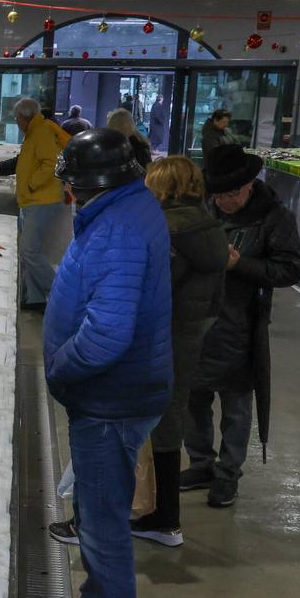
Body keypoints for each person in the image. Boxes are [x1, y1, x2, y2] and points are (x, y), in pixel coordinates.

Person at [40, 128, 172, 598]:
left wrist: (60, 370)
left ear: (87, 183)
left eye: (70, 182)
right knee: (99, 512)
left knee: (102, 522)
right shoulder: (124, 207)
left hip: (110, 398)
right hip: (117, 393)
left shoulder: (117, 227)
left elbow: (107, 335)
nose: (68, 192)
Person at [182, 144, 300, 507]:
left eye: (231, 193)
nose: (223, 201)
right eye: (217, 193)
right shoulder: (204, 205)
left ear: (250, 184)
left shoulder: (273, 217)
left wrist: (241, 267)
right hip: (197, 318)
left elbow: (289, 269)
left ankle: (228, 473)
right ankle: (201, 462)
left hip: (240, 325)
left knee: (235, 406)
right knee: (193, 398)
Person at [127, 157, 228, 546]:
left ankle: (158, 516)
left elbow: (151, 289)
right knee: (168, 423)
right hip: (188, 337)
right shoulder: (206, 225)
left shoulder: (170, 230)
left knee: (148, 426)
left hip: (161, 339)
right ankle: (164, 515)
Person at [0, 97, 72, 309]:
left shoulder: (42, 132)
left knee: (29, 251)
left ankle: (63, 295)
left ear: (24, 117)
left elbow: (51, 164)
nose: (16, 122)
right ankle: (35, 299)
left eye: (16, 118)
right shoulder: (35, 132)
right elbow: (23, 161)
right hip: (34, 200)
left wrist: (31, 184)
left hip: (42, 199)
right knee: (29, 251)